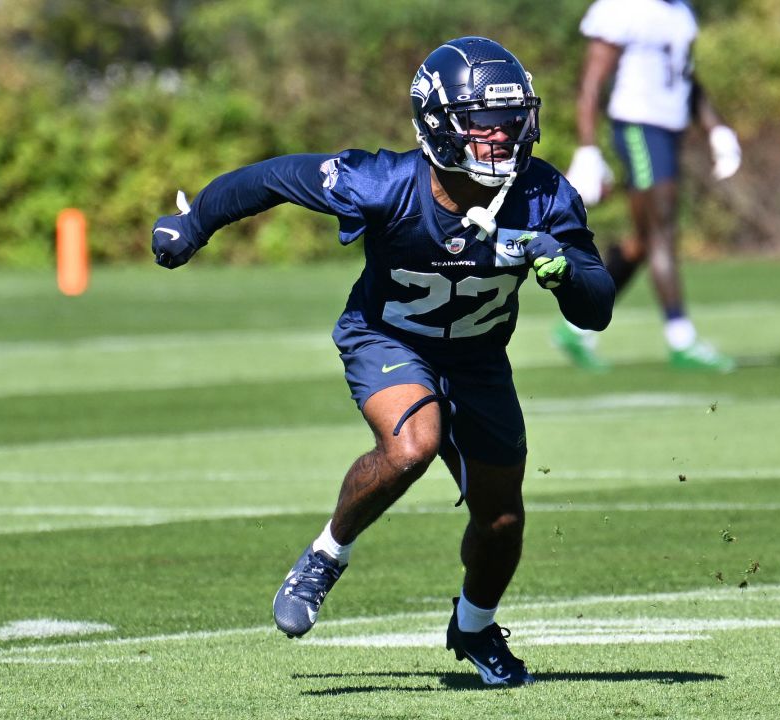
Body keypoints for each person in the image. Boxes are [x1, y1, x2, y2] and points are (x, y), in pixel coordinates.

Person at [150, 36, 614, 687]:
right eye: (481, 124)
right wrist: (196, 220)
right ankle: (327, 554)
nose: (500, 139)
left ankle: (475, 627)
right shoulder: (385, 183)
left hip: (477, 359)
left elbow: (595, 309)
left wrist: (563, 270)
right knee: (411, 445)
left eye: (509, 122)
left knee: (502, 519)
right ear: (439, 125)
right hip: (387, 338)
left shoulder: (544, 197)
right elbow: (274, 177)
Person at [559, 0, 742, 372]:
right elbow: (592, 82)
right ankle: (681, 339)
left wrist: (716, 129)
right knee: (662, 231)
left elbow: (686, 78)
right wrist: (588, 148)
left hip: (670, 130)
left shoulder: (681, 12)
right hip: (639, 127)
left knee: (644, 240)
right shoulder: (623, 9)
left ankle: (574, 328)